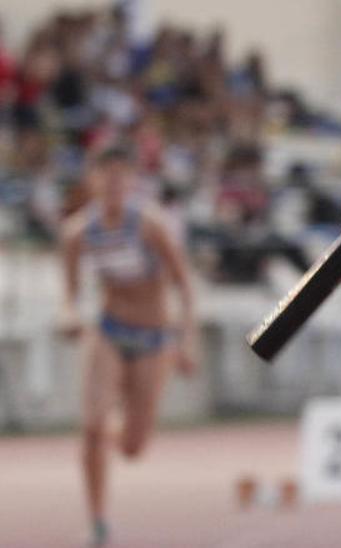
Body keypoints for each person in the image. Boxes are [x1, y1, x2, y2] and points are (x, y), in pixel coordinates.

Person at [59, 146, 198, 547]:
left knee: (134, 446)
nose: (115, 184)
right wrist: (68, 315)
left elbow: (184, 285)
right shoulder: (77, 233)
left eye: (123, 175)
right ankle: (98, 522)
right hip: (109, 330)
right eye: (107, 175)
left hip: (153, 338)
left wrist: (186, 340)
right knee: (90, 425)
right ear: (93, 180)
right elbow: (69, 294)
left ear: (133, 181)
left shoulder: (149, 225)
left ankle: (114, 426)